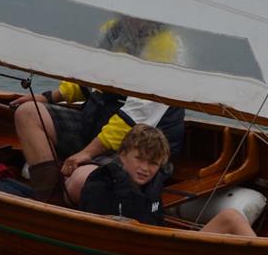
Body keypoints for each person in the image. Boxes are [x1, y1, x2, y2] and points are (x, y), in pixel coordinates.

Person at [11, 80, 185, 202]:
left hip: (139, 151)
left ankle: (58, 208)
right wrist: (48, 97)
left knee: (82, 181)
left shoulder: (163, 55)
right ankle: (50, 199)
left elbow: (128, 123)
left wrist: (85, 153)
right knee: (28, 113)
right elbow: (90, 79)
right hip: (95, 130)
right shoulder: (116, 34)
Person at [75, 124, 257, 236]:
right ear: (122, 155)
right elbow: (90, 232)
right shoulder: (100, 184)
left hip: (160, 250)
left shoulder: (152, 186)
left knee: (232, 217)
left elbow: (158, 223)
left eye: (153, 163)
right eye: (139, 158)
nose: (145, 169)